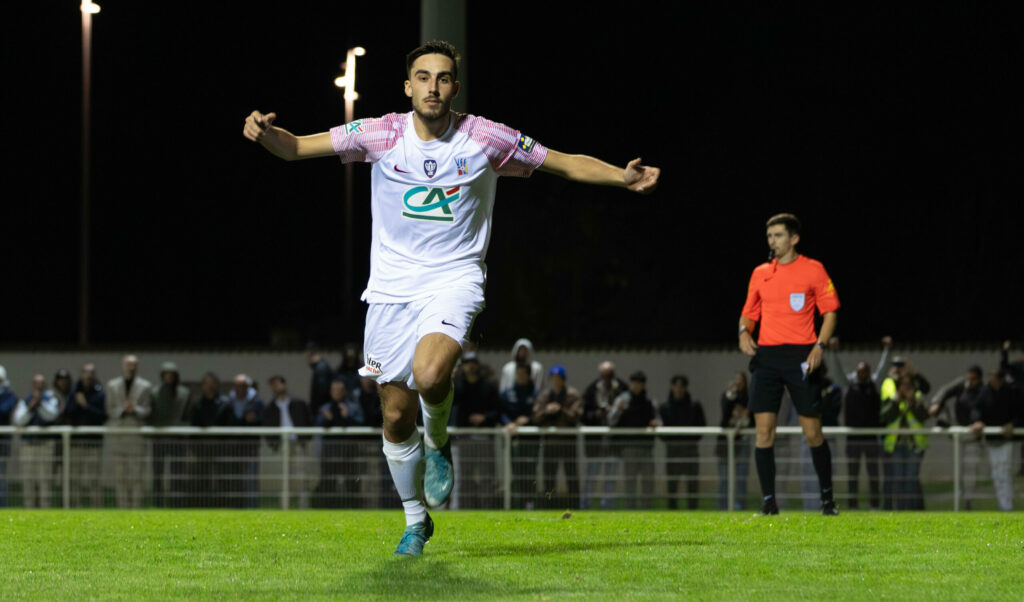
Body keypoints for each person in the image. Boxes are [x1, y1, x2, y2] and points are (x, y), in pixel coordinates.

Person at [243, 40, 659, 555]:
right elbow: (298, 147)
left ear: (454, 87)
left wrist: (621, 176)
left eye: (442, 78)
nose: (432, 87)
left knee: (430, 374)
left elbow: (563, 162)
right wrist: (265, 136)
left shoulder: (485, 137)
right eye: (423, 77)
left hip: (454, 278)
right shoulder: (382, 132)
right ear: (407, 86)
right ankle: (416, 521)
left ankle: (438, 439)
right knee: (395, 416)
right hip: (391, 289)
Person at [737, 213, 840, 516]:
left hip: (800, 357)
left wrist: (819, 346)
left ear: (794, 238)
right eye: (770, 236)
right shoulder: (760, 273)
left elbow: (830, 312)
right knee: (763, 433)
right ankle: (769, 503)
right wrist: (744, 331)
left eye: (779, 235)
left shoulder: (814, 269)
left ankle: (827, 501)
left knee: (812, 432)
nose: (773, 242)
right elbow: (748, 313)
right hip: (767, 357)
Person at [825, 336, 890, 510]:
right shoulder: (849, 384)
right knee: (852, 474)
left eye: (866, 372)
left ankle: (875, 505)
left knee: (873, 474)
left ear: (869, 373)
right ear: (856, 372)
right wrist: (833, 352)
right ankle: (853, 505)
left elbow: (883, 369)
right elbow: (837, 370)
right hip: (853, 438)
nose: (863, 374)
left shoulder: (874, 384)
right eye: (860, 371)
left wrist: (887, 351)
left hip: (870, 437)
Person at [928, 365, 986, 509]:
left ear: (979, 379)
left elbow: (983, 408)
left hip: (973, 433)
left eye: (973, 379)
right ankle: (957, 501)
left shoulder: (984, 391)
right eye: (969, 378)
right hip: (958, 429)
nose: (970, 382)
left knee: (970, 470)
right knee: (957, 469)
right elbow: (945, 391)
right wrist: (936, 403)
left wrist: (980, 422)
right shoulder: (962, 385)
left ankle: (967, 502)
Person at [453, 353, 501, 509]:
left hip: (485, 438)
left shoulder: (488, 385)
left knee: (487, 477)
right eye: (467, 363)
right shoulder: (457, 386)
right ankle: (466, 508)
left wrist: (484, 418)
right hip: (465, 438)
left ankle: (487, 508)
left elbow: (497, 411)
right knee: (465, 477)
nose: (471, 366)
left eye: (473, 362)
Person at [105, 354, 153, 508]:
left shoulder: (145, 386)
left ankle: (136, 506)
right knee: (120, 475)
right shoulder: (113, 385)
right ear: (123, 365)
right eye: (128, 364)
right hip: (118, 435)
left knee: (137, 474)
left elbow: (147, 410)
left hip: (136, 435)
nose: (131, 368)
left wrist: (135, 409)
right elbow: (109, 409)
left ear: (137, 366)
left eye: (134, 365)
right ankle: (122, 506)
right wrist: (122, 409)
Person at [532, 365, 582, 509]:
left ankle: (575, 506)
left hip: (568, 441)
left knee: (571, 476)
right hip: (550, 442)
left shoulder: (572, 394)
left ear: (563, 379)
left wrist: (561, 409)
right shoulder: (545, 395)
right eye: (553, 379)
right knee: (548, 477)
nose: (556, 382)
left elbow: (576, 415)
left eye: (558, 379)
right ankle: (548, 505)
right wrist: (547, 410)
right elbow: (535, 416)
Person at [608, 371, 660, 509]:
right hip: (628, 446)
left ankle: (646, 507)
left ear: (643, 385)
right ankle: (629, 508)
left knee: (648, 480)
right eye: (634, 383)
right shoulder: (622, 400)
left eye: (639, 384)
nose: (636, 386)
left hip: (646, 447)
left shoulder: (648, 402)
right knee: (629, 480)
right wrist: (618, 410)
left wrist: (655, 423)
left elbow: (657, 420)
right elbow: (611, 420)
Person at [581, 361, 629, 510]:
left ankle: (607, 506)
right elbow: (584, 414)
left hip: (614, 441)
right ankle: (585, 505)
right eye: (604, 376)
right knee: (591, 476)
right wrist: (597, 414)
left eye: (610, 375)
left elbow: (628, 413)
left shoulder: (622, 389)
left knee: (611, 477)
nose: (607, 379)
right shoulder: (591, 390)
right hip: (595, 441)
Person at [970, 370, 1020, 511]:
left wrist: (1013, 424)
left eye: (993, 377)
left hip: (1006, 440)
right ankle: (1002, 505)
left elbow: (1019, 412)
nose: (990, 379)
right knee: (996, 473)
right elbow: (976, 409)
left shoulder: (1011, 392)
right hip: (992, 440)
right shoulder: (985, 392)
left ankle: (1007, 506)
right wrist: (977, 421)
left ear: (1000, 379)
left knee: (1004, 471)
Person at [263, 375, 315, 509]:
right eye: (273, 385)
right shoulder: (270, 408)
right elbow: (267, 428)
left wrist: (306, 439)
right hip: (282, 445)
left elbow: (309, 421)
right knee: (284, 477)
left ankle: (304, 506)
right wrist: (274, 444)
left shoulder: (299, 403)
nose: (275, 387)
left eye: (277, 384)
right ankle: (285, 506)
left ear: (284, 384)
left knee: (303, 476)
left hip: (299, 444)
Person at [315, 377, 366, 508]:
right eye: (334, 390)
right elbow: (319, 425)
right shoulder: (325, 408)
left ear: (344, 392)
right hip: (330, 451)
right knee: (328, 482)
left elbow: (361, 425)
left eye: (339, 390)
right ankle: (326, 508)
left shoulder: (352, 407)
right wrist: (328, 419)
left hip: (349, 451)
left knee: (351, 482)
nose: (336, 392)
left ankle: (354, 508)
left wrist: (346, 417)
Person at [880, 374, 928, 510]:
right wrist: (896, 401)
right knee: (898, 479)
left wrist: (912, 401)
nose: (906, 389)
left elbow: (924, 415)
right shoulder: (893, 398)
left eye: (909, 386)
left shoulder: (918, 397)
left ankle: (911, 511)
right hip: (896, 446)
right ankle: (900, 510)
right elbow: (884, 416)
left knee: (911, 480)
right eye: (903, 386)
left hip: (914, 446)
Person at [62, 363, 107, 507]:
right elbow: (68, 413)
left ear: (94, 375)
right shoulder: (74, 391)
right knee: (74, 477)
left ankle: (96, 506)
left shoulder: (100, 393)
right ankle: (74, 506)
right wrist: (78, 403)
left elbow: (102, 416)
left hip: (94, 442)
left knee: (94, 477)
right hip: (76, 442)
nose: (88, 375)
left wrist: (86, 406)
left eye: (91, 373)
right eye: (85, 372)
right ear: (81, 374)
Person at [13, 374, 60, 508]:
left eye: (41, 383)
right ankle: (29, 507)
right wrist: (31, 406)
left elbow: (51, 416)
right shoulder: (25, 400)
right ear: (32, 384)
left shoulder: (50, 399)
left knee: (45, 479)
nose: (38, 386)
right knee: (28, 479)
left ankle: (45, 507)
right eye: (36, 383)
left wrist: (40, 405)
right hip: (28, 445)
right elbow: (19, 420)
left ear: (45, 385)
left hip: (45, 445)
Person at [659, 375, 706, 510]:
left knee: (692, 482)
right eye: (676, 386)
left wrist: (689, 439)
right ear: (672, 387)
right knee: (672, 483)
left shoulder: (694, 406)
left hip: (690, 449)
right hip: (672, 450)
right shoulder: (665, 407)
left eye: (681, 387)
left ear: (685, 388)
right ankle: (671, 509)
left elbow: (701, 427)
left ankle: (693, 509)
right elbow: (661, 431)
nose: (678, 389)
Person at [217, 374, 263, 508]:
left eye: (243, 386)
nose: (240, 389)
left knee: (250, 478)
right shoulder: (227, 402)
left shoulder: (256, 401)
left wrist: (254, 419)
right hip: (232, 446)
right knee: (233, 478)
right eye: (238, 386)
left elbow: (263, 419)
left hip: (250, 445)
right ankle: (234, 506)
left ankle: (252, 507)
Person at [149, 361, 190, 507]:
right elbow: (151, 415)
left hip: (178, 439)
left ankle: (177, 504)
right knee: (158, 475)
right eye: (166, 375)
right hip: (159, 439)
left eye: (171, 375)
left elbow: (188, 416)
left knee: (177, 474)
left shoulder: (184, 393)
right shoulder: (154, 392)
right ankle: (158, 503)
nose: (169, 378)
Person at [182, 372, 225, 507]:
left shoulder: (224, 403)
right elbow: (191, 422)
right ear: (203, 386)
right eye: (207, 383)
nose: (210, 386)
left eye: (212, 383)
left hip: (220, 447)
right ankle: (201, 504)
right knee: (201, 478)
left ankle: (221, 505)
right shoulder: (197, 404)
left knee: (222, 478)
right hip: (200, 447)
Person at [500, 362, 539, 509]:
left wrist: (528, 420)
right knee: (515, 472)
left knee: (530, 472)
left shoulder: (535, 394)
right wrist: (508, 423)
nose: (521, 376)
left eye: (524, 373)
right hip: (513, 439)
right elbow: (501, 412)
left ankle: (530, 502)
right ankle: (516, 502)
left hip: (531, 440)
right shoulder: (508, 393)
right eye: (519, 373)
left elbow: (538, 413)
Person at [715, 372, 751, 510]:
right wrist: (730, 397)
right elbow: (725, 418)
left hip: (741, 442)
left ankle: (739, 505)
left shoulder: (747, 398)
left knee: (741, 478)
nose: (738, 385)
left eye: (741, 382)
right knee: (724, 478)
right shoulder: (727, 398)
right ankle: (722, 506)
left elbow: (749, 418)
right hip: (725, 444)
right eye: (736, 382)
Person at [0, 366, 19, 507]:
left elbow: (3, 410)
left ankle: (3, 506)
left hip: (2, 442)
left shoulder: (9, 395)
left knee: (1, 476)